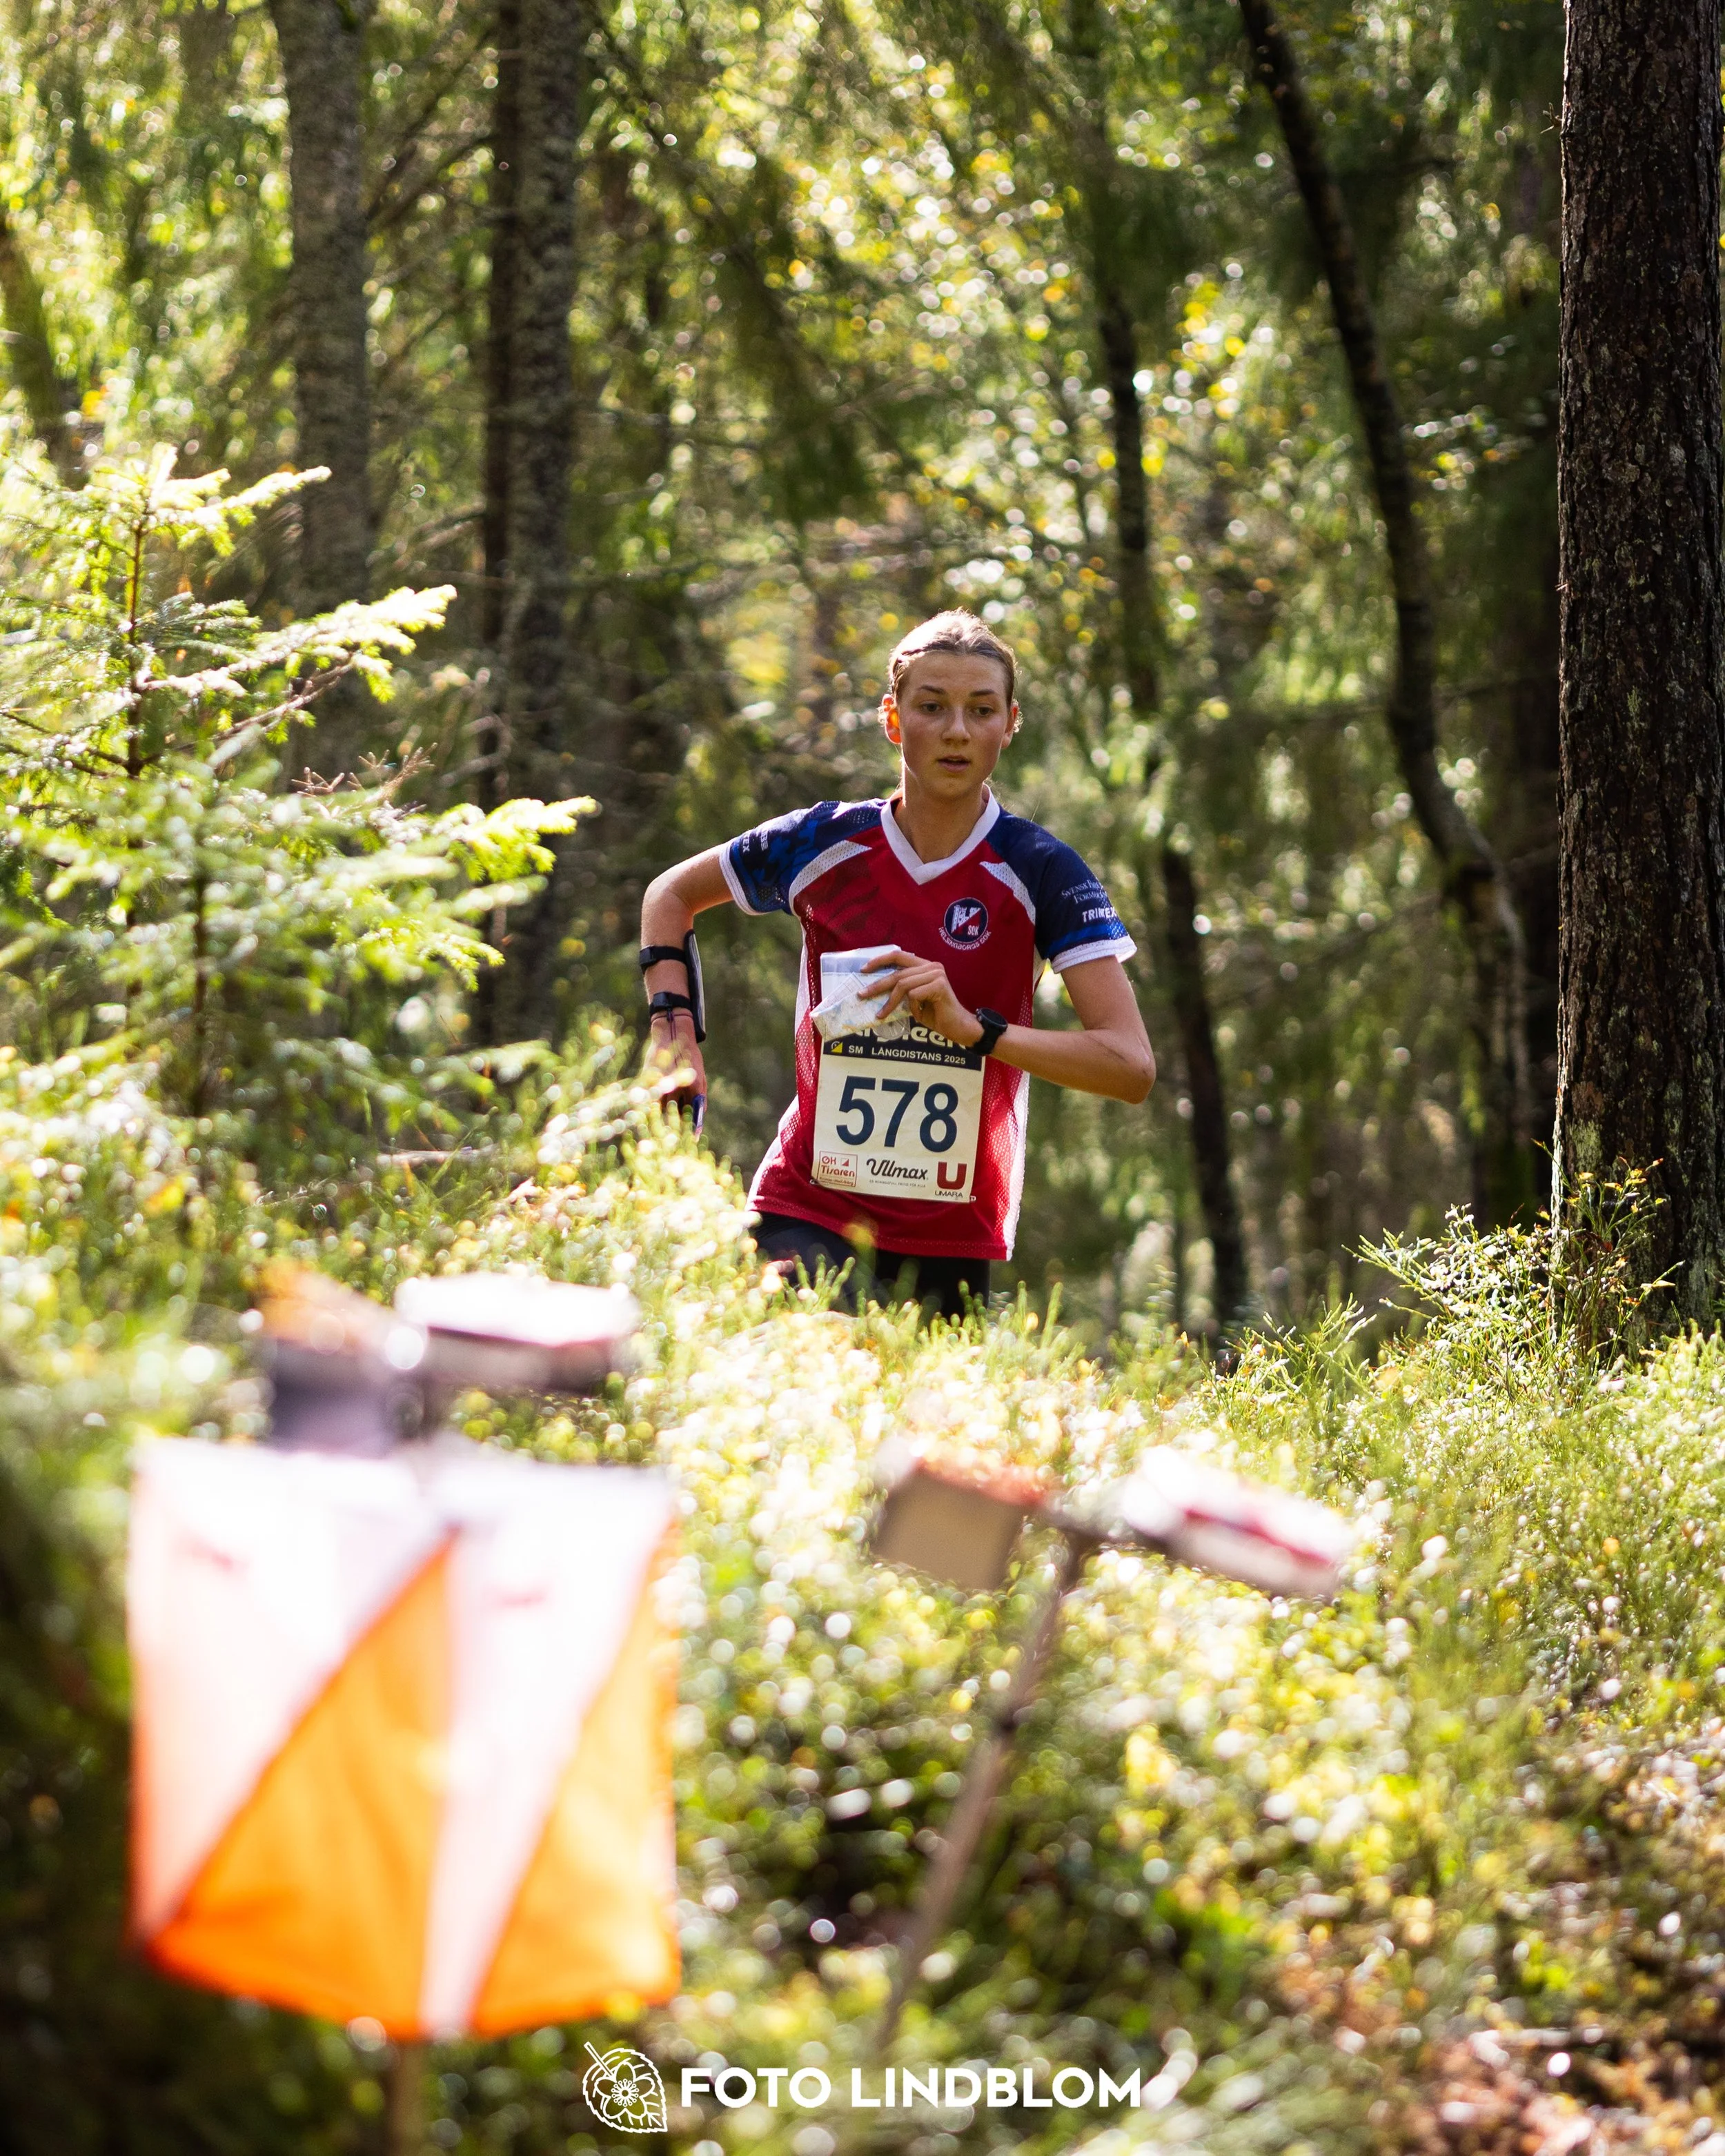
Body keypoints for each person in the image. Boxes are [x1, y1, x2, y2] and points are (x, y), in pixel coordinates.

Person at [638, 610, 1155, 1320]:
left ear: (1009, 724)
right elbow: (670, 895)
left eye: (981, 711)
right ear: (892, 716)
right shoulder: (821, 841)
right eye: (931, 706)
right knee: (807, 1371)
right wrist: (675, 1032)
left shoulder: (1040, 869)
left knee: (915, 1430)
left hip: (955, 1228)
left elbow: (1129, 1065)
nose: (955, 731)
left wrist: (978, 1031)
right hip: (809, 1200)